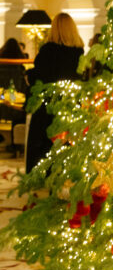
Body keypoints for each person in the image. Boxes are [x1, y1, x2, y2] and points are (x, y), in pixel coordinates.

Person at [25, 13, 84, 173]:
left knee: (42, 142)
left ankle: (39, 175)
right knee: (66, 141)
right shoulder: (79, 52)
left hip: (48, 103)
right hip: (70, 102)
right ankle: (64, 176)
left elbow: (39, 76)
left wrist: (28, 76)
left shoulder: (47, 51)